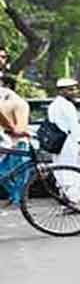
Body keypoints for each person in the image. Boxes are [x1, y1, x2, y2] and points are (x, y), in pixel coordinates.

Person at [48, 78, 80, 206]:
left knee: (64, 173)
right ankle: (71, 200)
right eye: (70, 90)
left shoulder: (54, 105)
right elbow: (74, 128)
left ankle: (67, 198)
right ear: (61, 91)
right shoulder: (66, 106)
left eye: (75, 89)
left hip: (58, 144)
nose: (74, 92)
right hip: (69, 144)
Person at [0, 73, 32, 207]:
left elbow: (20, 127)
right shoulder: (10, 102)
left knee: (15, 173)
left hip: (16, 143)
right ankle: (16, 197)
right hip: (10, 142)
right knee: (11, 173)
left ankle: (17, 198)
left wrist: (13, 129)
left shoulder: (17, 103)